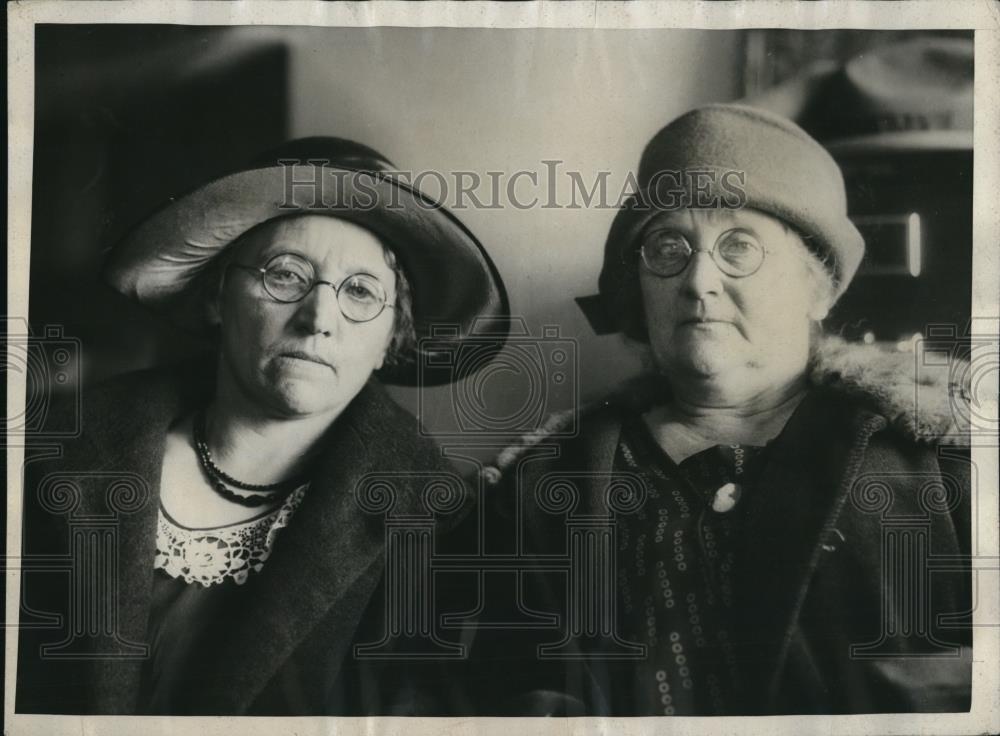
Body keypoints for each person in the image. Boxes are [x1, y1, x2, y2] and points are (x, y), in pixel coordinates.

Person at [473, 104, 971, 715]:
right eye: (667, 248)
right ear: (642, 290)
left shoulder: (941, 468)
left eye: (739, 246)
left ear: (815, 286)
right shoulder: (544, 486)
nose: (698, 279)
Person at [16, 137, 508, 715]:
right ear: (218, 298)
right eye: (286, 274)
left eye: (360, 292)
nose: (319, 319)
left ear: (390, 342)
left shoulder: (432, 527)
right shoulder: (51, 453)